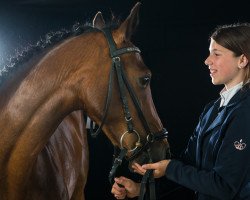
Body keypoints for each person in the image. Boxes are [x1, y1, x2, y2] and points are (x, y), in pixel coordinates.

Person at [111, 22, 250, 200]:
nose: (207, 60)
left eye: (216, 54)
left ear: (242, 60)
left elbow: (225, 187)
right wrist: (141, 189)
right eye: (209, 53)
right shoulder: (212, 110)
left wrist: (169, 168)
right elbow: (189, 168)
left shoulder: (246, 111)